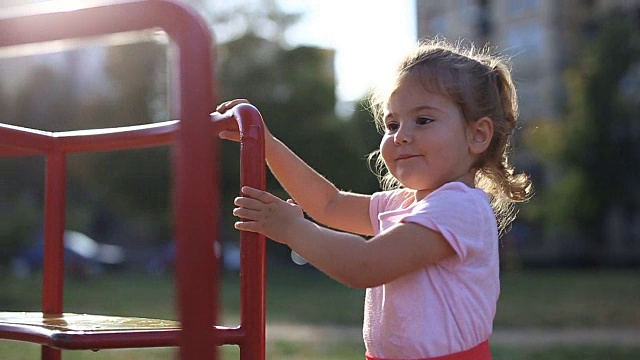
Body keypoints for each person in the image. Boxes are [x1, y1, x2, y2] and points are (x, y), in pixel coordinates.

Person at [215, 38, 532, 360]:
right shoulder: (402, 204)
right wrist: (267, 144)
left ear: (477, 135)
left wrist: (291, 229)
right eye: (392, 124)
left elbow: (364, 265)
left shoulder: (459, 207)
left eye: (423, 120)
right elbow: (329, 204)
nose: (400, 135)